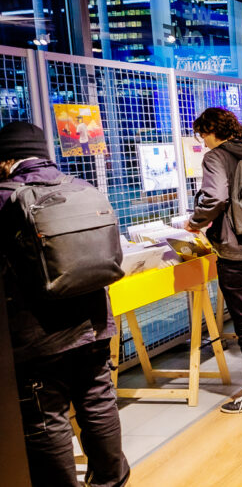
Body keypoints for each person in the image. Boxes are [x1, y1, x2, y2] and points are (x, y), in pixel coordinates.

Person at [0, 122, 130, 487]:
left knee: (47, 417)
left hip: (38, 333)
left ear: (6, 160)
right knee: (99, 402)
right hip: (94, 322)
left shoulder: (5, 197)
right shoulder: (83, 187)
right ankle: (111, 482)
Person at [187, 108, 242, 413]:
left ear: (213, 130)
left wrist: (195, 222)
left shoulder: (216, 157)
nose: (203, 141)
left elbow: (215, 198)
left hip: (233, 247)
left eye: (204, 134)